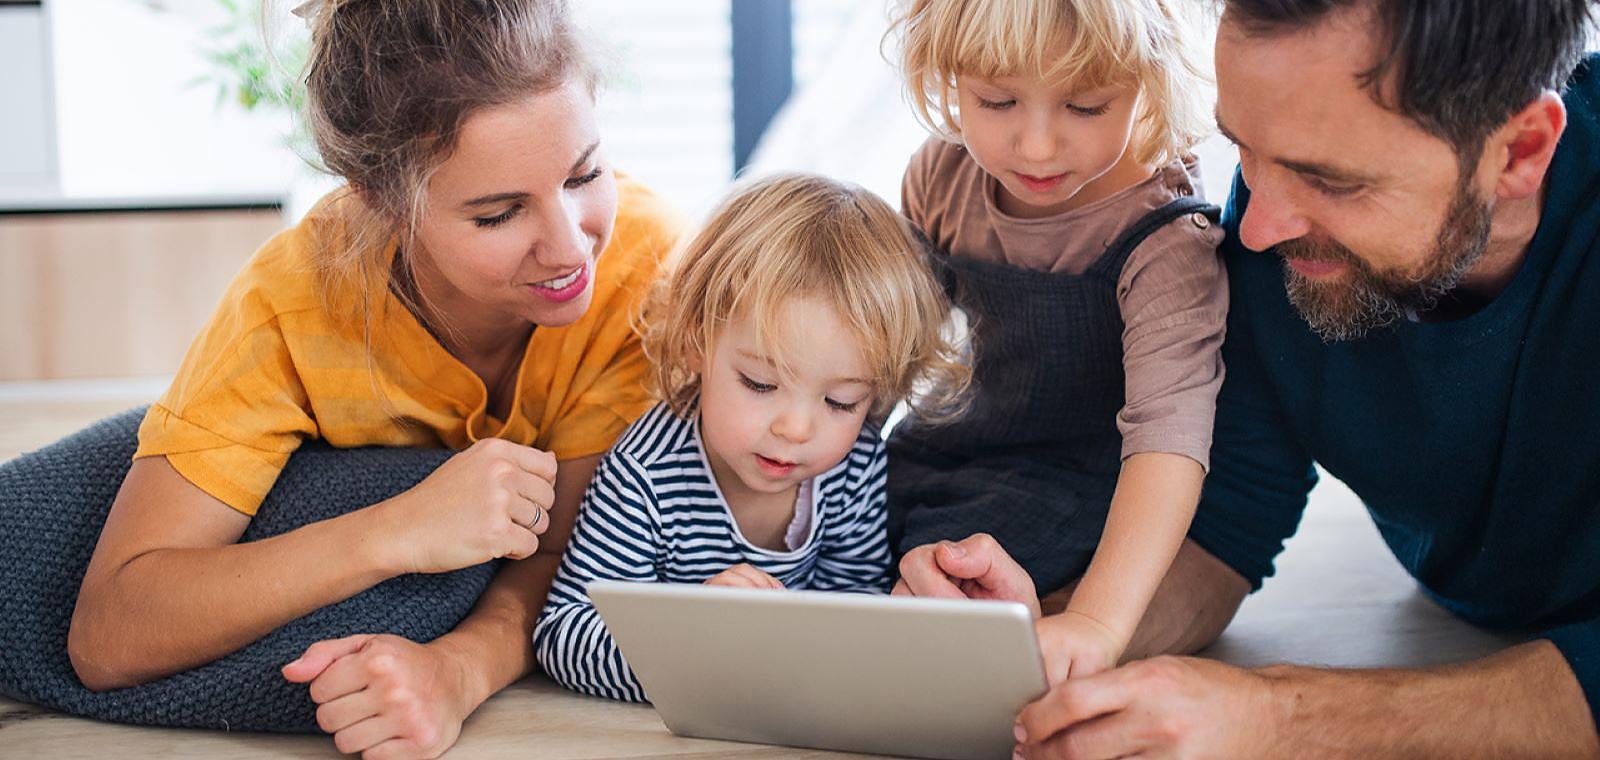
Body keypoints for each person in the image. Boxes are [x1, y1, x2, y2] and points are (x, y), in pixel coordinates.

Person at [900, 1, 1600, 757]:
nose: (1256, 230)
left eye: (1329, 180)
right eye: (1246, 152)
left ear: (1521, 149)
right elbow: (1227, 528)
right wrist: (1050, 641)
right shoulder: (1276, 230)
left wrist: (1284, 718)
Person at [65, 1, 684, 756]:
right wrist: (397, 530)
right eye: (497, 215)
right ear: (380, 200)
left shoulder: (649, 275)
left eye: (586, 173)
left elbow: (574, 558)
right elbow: (109, 634)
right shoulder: (289, 306)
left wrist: (456, 670)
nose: (569, 248)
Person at [883, 0, 1228, 682]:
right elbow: (883, 343)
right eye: (998, 100)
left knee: (949, 574)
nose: (1036, 146)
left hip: (1079, 485)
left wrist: (1095, 624)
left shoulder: (1164, 238)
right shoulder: (941, 176)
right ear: (948, 77)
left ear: (1148, 83)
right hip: (951, 445)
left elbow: (1169, 441)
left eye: (1087, 106)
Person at [532, 172, 970, 702]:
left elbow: (854, 601)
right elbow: (563, 633)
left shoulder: (853, 463)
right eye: (761, 384)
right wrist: (694, 640)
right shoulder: (645, 474)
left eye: (841, 402)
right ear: (697, 342)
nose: (796, 428)